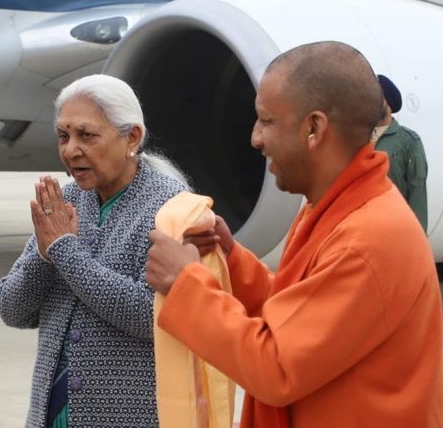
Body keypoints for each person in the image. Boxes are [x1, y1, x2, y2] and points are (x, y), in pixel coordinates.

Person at [146, 41, 443, 428]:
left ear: (314, 128)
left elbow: (276, 366)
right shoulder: (330, 207)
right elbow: (299, 314)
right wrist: (232, 260)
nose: (255, 138)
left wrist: (185, 284)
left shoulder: (366, 239)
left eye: (266, 121)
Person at [0, 74, 189, 427]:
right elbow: (12, 309)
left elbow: (153, 315)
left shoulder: (171, 207)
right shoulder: (65, 201)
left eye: (87, 135)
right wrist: (43, 255)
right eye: (63, 136)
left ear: (132, 137)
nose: (70, 150)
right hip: (51, 414)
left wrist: (64, 250)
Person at [372, 74, 428, 232]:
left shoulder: (408, 141)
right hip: (364, 232)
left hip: (395, 231)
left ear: (388, 105)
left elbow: (417, 193)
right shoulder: (356, 140)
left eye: (375, 98)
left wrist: (417, 240)